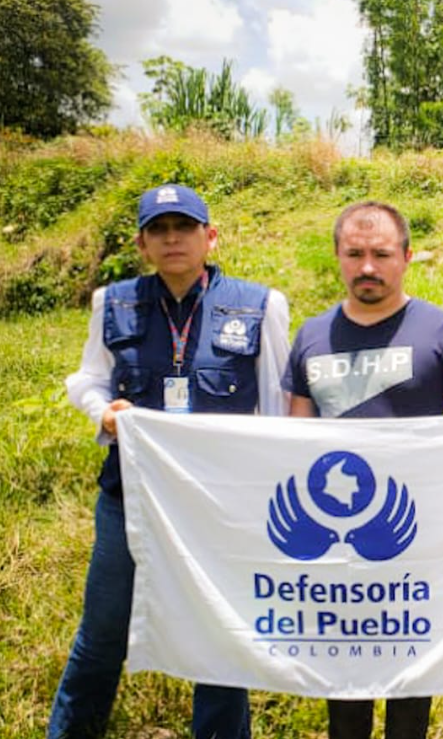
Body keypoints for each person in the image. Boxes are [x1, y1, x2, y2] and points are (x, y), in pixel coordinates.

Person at [52, 184, 291, 738]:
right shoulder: (112, 303)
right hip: (129, 500)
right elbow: (86, 380)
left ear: (210, 236)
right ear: (141, 244)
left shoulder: (260, 305)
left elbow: (276, 411)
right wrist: (102, 411)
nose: (172, 239)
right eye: (158, 230)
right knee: (102, 633)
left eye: (183, 228)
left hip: (219, 506)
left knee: (219, 635)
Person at [284, 201, 443, 739]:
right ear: (338, 257)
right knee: (343, 688)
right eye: (355, 254)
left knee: (409, 687)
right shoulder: (309, 336)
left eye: (380, 254)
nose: (367, 267)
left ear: (407, 257)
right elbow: (292, 441)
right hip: (333, 547)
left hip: (416, 541)